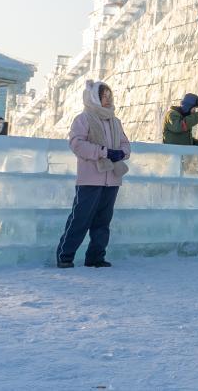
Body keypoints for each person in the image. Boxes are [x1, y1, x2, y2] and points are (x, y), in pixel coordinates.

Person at [56, 79, 131, 269]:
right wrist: (104, 151)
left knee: (103, 221)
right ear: (94, 98)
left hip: (112, 179)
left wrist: (122, 153)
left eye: (109, 96)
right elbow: (77, 144)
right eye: (103, 96)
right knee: (80, 218)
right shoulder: (84, 119)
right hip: (90, 178)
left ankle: (96, 257)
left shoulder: (115, 121)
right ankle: (65, 256)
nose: (107, 99)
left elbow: (125, 144)